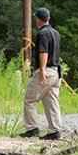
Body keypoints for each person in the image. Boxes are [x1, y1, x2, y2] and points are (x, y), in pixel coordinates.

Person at [19, 7, 62, 140]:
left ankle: (32, 128)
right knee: (51, 101)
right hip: (56, 72)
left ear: (38, 19)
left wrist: (42, 71)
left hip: (46, 70)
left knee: (30, 99)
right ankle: (54, 130)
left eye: (35, 18)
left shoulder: (42, 34)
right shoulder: (55, 33)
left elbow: (43, 52)